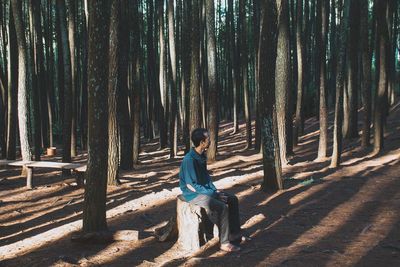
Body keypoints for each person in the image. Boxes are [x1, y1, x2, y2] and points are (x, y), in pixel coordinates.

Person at [178, 128, 248, 252]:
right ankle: (224, 243)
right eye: (208, 138)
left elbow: (206, 178)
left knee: (232, 199)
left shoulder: (201, 156)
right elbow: (191, 186)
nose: (210, 140)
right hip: (192, 194)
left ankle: (234, 234)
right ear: (202, 142)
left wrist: (215, 191)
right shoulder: (189, 159)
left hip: (204, 190)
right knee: (222, 207)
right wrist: (213, 195)